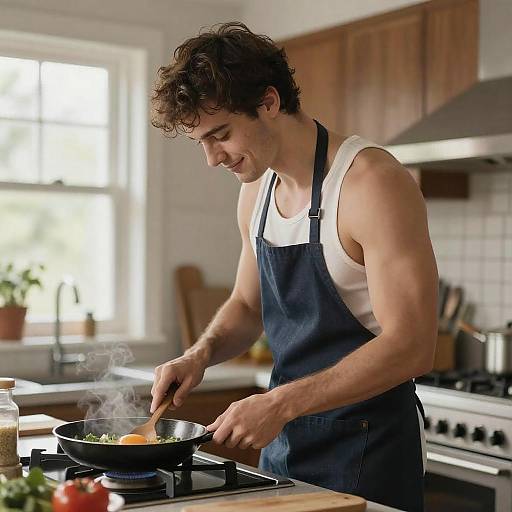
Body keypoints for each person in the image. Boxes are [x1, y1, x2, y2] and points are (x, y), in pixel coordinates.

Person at [150, 22, 437, 512]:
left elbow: (412, 345)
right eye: (201, 141)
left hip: (369, 449)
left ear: (268, 102)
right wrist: (198, 355)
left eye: (220, 135)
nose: (212, 159)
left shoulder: (371, 183)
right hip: (284, 445)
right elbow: (247, 304)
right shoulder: (254, 193)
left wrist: (280, 403)